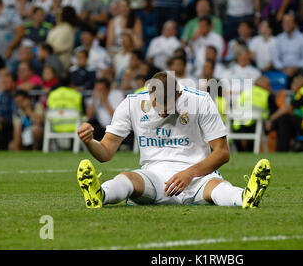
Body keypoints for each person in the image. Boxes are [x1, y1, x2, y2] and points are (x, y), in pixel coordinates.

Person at [76, 71, 272, 209]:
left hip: (197, 178)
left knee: (219, 188)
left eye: (167, 104)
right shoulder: (131, 104)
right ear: (148, 93)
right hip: (154, 177)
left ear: (179, 94)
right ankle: (100, 195)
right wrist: (89, 142)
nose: (161, 110)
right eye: (156, 103)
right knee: (127, 178)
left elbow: (222, 152)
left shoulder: (200, 101)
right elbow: (106, 152)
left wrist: (189, 173)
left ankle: (246, 197)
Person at [272, 13, 303, 81]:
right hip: (282, 70)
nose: (286, 25)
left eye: (288, 22)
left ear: (295, 24)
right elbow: (275, 57)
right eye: (284, 22)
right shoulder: (279, 38)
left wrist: (295, 68)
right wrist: (283, 68)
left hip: (299, 70)